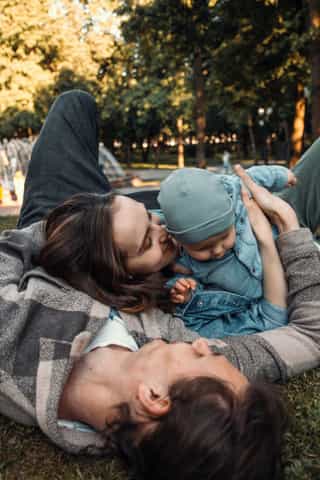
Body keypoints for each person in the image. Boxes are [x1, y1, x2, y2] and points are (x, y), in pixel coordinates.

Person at [1, 91, 320, 480]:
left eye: (203, 356)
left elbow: (10, 254)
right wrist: (287, 231)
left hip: (60, 230)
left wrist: (73, 234)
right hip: (131, 234)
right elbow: (311, 334)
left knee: (73, 105)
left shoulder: (13, 339)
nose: (206, 346)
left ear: (153, 398)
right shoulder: (177, 359)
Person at [156, 165, 296, 336]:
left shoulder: (234, 193)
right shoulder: (184, 263)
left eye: (224, 237)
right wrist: (185, 291)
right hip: (261, 298)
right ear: (180, 242)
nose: (217, 250)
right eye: (203, 248)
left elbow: (252, 177)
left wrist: (281, 176)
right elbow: (199, 289)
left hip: (284, 255)